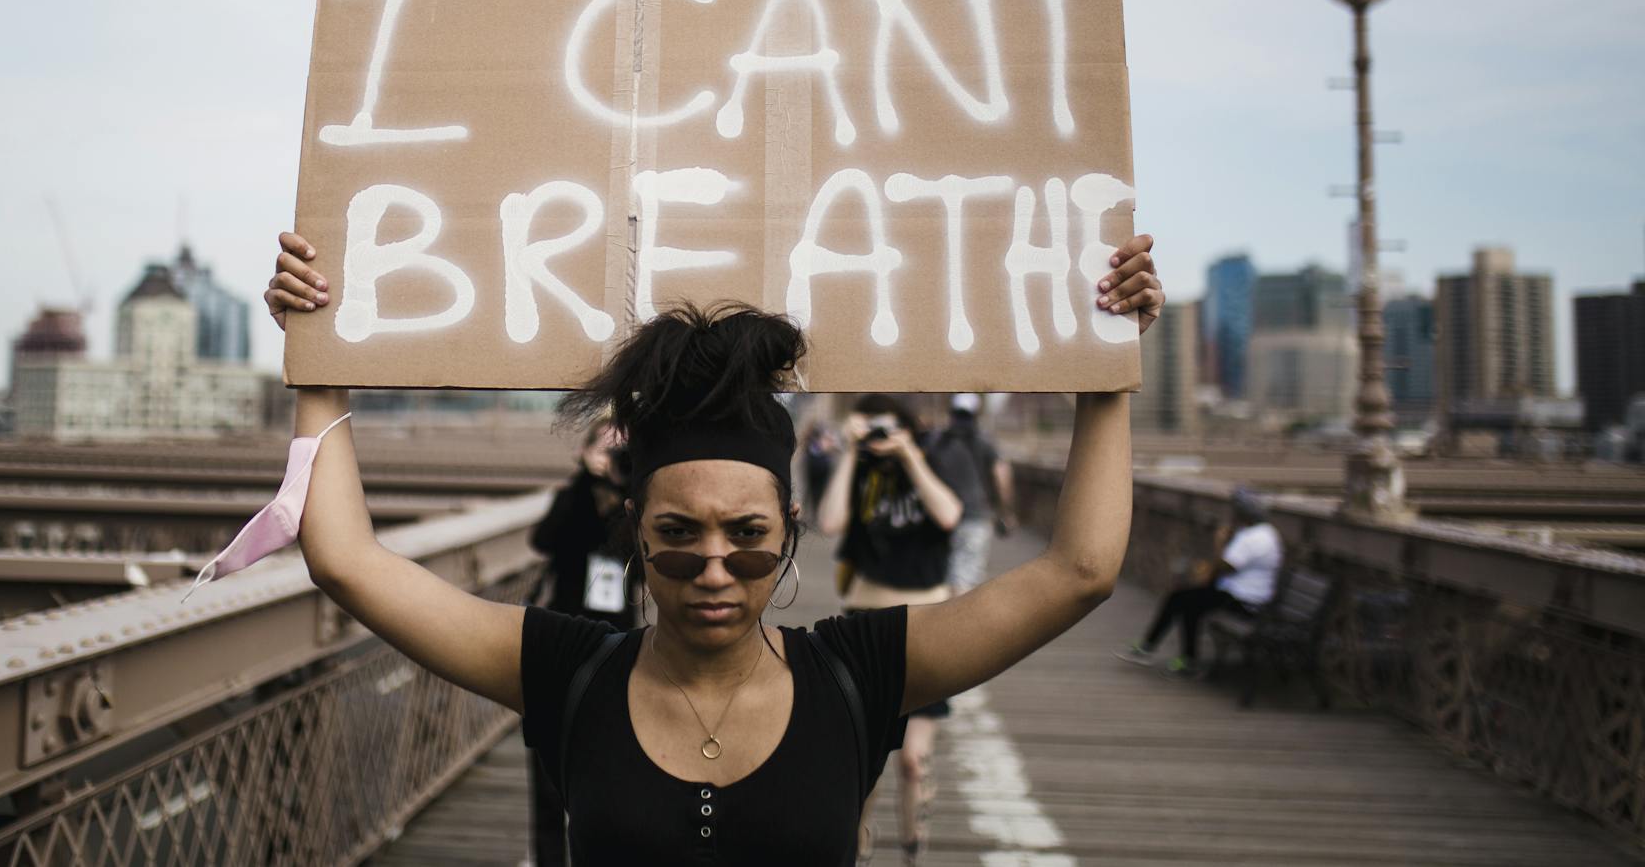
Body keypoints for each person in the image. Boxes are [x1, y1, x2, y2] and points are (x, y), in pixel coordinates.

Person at [263, 227, 1163, 867]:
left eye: (750, 537)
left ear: (792, 532)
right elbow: (346, 559)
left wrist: (1107, 367)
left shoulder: (858, 671)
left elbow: (1079, 570)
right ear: (636, 536)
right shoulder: (565, 669)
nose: (716, 569)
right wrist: (319, 352)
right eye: (677, 536)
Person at [816, 393, 974, 863]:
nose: (878, 437)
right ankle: (860, 851)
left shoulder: (936, 457)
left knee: (912, 760)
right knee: (867, 765)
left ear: (907, 426)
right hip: (865, 625)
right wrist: (850, 453)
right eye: (869, 427)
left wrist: (908, 454)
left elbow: (948, 515)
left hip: (927, 625)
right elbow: (829, 523)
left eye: (886, 427)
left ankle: (912, 849)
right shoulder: (856, 468)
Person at [524, 412, 634, 865]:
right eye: (605, 448)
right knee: (548, 769)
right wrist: (584, 486)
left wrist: (624, 493)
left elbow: (645, 560)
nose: (613, 458)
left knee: (606, 763)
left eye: (623, 450)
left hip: (617, 646)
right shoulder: (572, 498)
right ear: (587, 452)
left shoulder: (639, 505)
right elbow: (544, 540)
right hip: (561, 639)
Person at [1119, 487, 1283, 676]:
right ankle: (1172, 653)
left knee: (1182, 600)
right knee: (1184, 600)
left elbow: (1226, 566)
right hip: (1240, 594)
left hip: (1245, 601)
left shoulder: (1254, 538)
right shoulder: (1265, 533)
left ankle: (1158, 650)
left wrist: (1219, 541)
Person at [939, 393, 1017, 596]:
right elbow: (1002, 475)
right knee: (966, 574)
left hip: (941, 517)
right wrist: (1005, 510)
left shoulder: (939, 441)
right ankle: (960, 623)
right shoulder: (985, 441)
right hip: (976, 515)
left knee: (947, 573)